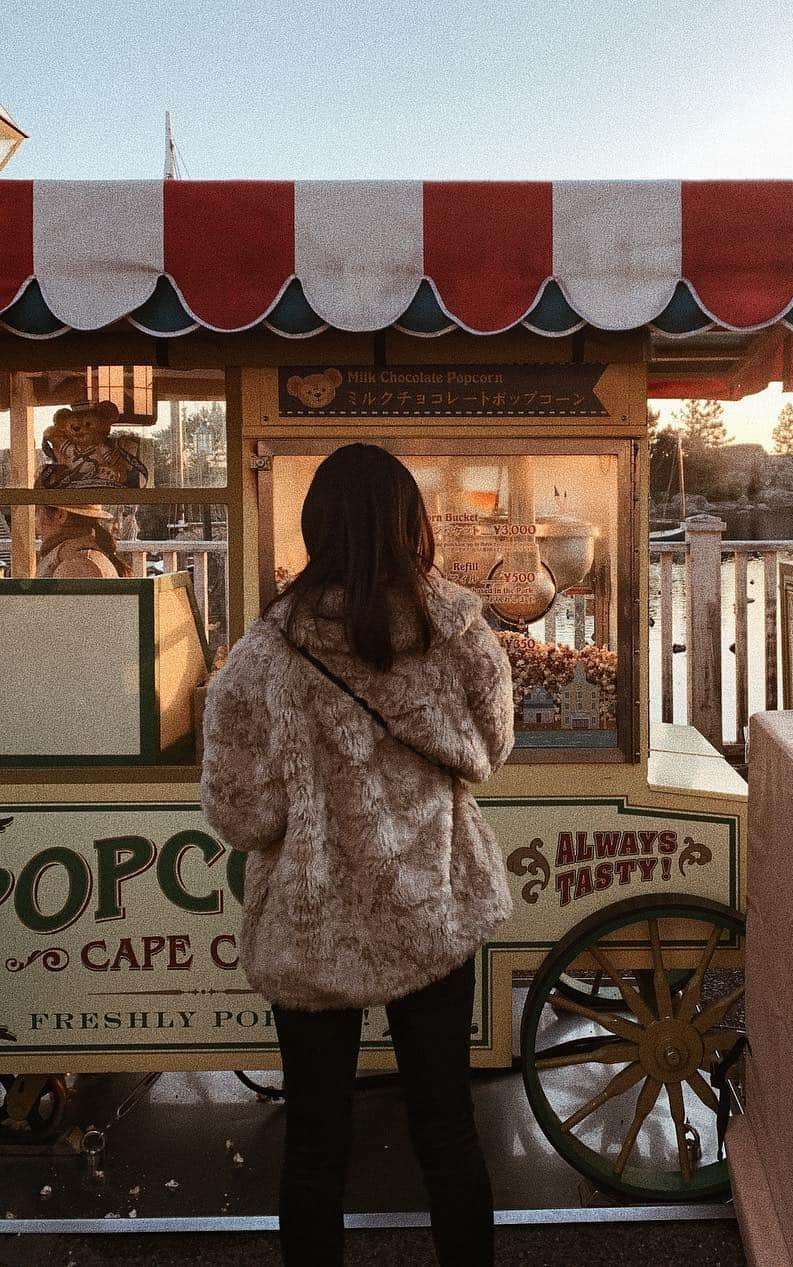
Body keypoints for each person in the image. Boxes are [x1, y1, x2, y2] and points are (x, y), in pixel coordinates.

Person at [199, 443, 515, 1267]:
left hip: (313, 919)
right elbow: (489, 746)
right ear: (412, 523)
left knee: (315, 1140)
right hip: (432, 907)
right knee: (446, 1128)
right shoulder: (457, 631)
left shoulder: (266, 655)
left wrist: (309, 805)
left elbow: (238, 810)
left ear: (316, 527)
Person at [35, 504, 131, 578]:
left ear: (60, 515)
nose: (35, 517)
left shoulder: (76, 565)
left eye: (38, 510)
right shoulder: (74, 557)